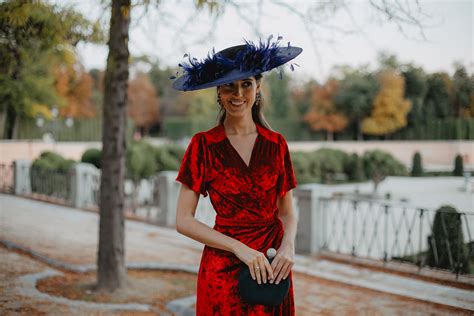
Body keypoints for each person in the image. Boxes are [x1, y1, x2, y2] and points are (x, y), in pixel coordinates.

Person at [172, 36, 302, 315]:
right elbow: (183, 221)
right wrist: (239, 248)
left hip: (272, 268)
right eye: (229, 86)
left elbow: (288, 212)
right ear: (218, 92)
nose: (238, 94)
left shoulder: (277, 144)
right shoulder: (203, 145)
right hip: (222, 271)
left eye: (246, 84)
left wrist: (288, 247)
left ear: (258, 88)